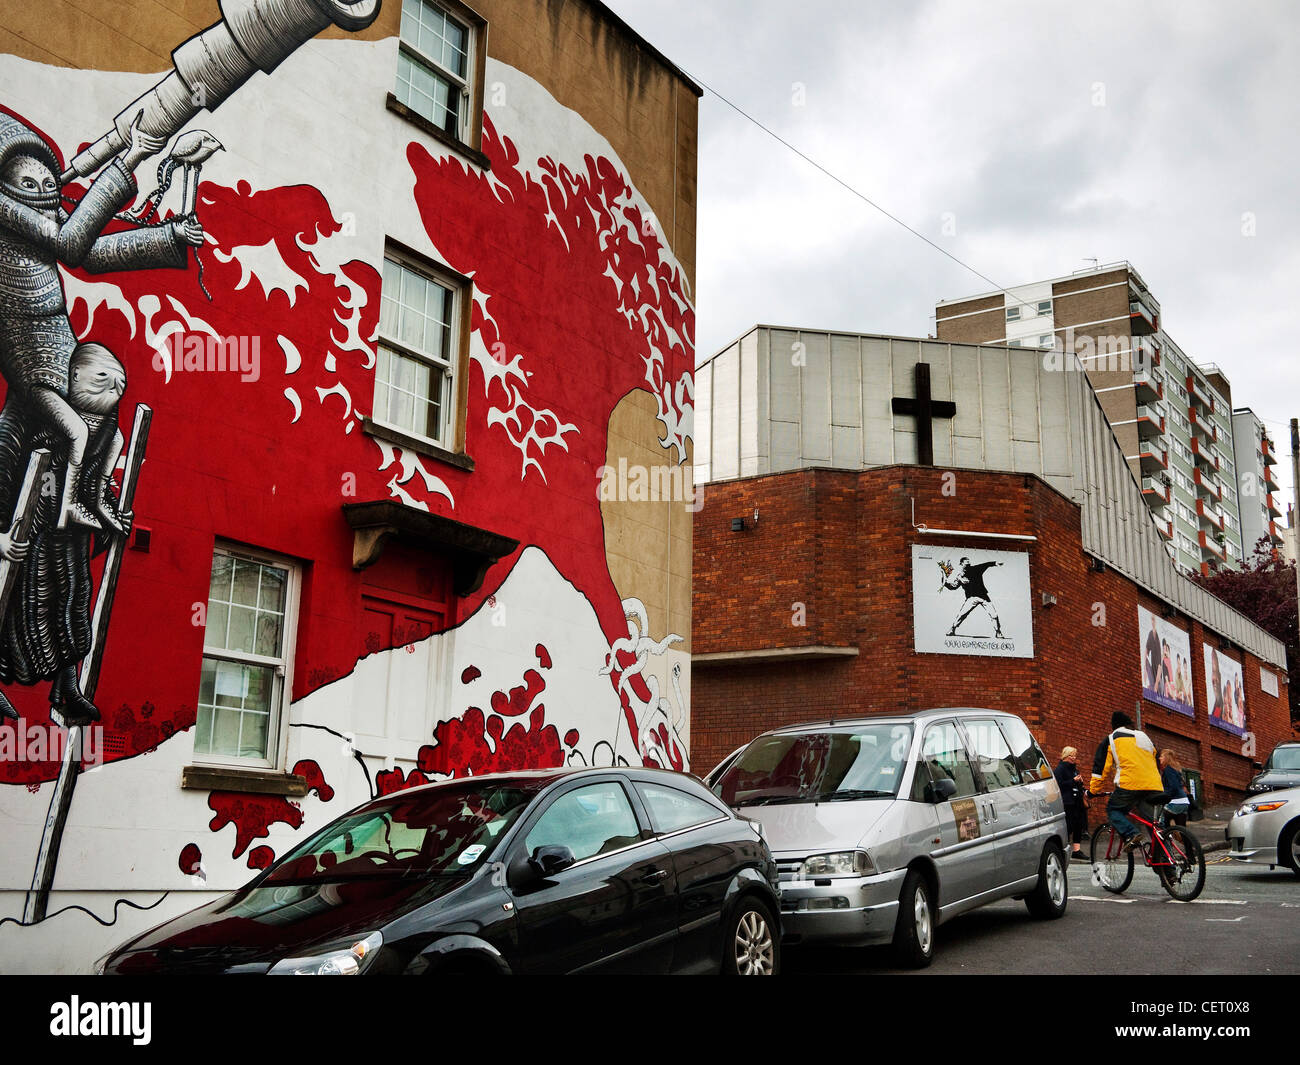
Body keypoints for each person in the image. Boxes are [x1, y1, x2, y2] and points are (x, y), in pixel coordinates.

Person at [1089, 711, 1164, 851]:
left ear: (1114, 726)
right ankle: (1168, 866)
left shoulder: (1112, 738)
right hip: (1154, 785)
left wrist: (1093, 791)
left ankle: (1132, 834)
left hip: (1130, 785)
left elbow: (1101, 768)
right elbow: (1155, 758)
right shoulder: (1144, 736)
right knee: (1155, 827)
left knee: (1113, 810)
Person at [943, 557, 1005, 638]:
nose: (968, 564)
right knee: (962, 615)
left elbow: (986, 564)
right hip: (971, 598)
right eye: (966, 563)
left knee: (994, 615)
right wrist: (945, 583)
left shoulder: (976, 569)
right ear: (961, 564)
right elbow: (954, 586)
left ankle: (998, 632)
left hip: (984, 597)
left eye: (969, 563)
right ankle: (952, 629)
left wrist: (995, 563)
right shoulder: (960, 576)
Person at [1053, 746, 1088, 859]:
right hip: (1067, 802)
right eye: (1071, 755)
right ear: (1065, 756)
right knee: (1068, 826)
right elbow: (1059, 785)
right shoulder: (1060, 769)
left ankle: (1076, 851)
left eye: (1074, 756)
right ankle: (1064, 849)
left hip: (1077, 802)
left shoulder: (1074, 769)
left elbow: (1077, 785)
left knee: (1078, 826)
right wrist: (1073, 781)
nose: (1074, 758)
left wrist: (1080, 782)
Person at [1158, 750, 1190, 827]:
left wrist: (1165, 797)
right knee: (1182, 830)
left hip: (1175, 802)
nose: (1159, 758)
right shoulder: (1175, 769)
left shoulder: (1168, 769)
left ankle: (1166, 838)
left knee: (1160, 823)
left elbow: (1174, 786)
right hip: (1184, 802)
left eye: (1161, 756)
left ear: (1166, 758)